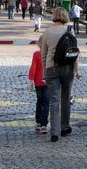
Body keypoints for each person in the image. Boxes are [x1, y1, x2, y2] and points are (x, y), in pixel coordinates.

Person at [38, 8, 77, 141]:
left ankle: (54, 131)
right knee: (66, 99)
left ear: (54, 16)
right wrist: (77, 70)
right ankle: (65, 127)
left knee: (54, 100)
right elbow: (75, 53)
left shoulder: (47, 32)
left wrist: (44, 71)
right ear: (66, 17)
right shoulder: (70, 31)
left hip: (51, 67)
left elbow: (43, 54)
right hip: (67, 67)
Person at [27, 46, 48, 133]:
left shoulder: (36, 54)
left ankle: (38, 121)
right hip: (48, 81)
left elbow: (33, 67)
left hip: (38, 81)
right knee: (46, 102)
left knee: (39, 101)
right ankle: (44, 124)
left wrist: (31, 79)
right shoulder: (50, 54)